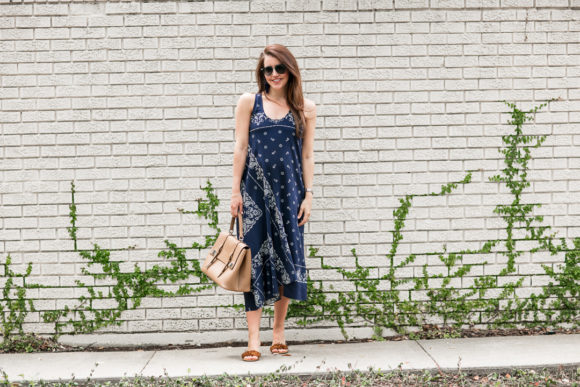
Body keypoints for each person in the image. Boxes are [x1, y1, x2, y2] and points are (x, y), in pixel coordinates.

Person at [230, 44, 316, 362]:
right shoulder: (248, 103)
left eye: (280, 68)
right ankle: (254, 339)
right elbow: (240, 148)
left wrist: (309, 194)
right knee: (253, 263)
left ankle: (278, 333)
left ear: (290, 71)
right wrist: (235, 193)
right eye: (268, 69)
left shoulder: (305, 108)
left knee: (286, 259)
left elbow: (306, 155)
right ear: (261, 73)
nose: (274, 74)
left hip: (291, 195)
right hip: (253, 196)